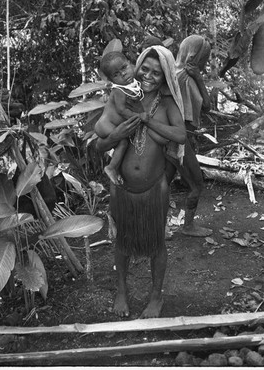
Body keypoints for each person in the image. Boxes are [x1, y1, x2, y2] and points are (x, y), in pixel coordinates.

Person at [96, 46, 186, 318]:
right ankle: (122, 291)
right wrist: (115, 137)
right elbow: (101, 142)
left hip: (154, 188)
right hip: (122, 186)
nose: (148, 75)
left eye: (157, 73)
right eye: (144, 69)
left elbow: (181, 135)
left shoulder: (167, 104)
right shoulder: (121, 96)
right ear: (135, 66)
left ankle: (156, 297)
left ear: (166, 76)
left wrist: (147, 120)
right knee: (122, 242)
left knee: (157, 243)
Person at [168, 34, 213, 237]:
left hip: (171, 137)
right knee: (196, 184)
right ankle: (188, 226)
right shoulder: (184, 76)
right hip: (178, 138)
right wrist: (199, 78)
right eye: (204, 57)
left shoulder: (175, 73)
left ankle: (158, 225)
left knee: (162, 183)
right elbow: (206, 106)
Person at [95, 51, 148, 185]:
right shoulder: (119, 90)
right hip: (106, 125)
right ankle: (111, 167)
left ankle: (113, 168)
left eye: (124, 68)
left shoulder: (133, 85)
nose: (123, 74)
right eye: (116, 74)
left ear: (130, 63)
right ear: (111, 80)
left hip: (111, 124)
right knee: (122, 142)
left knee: (123, 142)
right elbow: (121, 110)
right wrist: (139, 116)